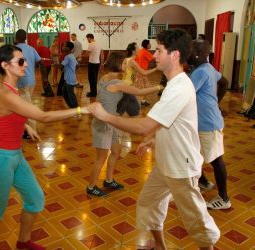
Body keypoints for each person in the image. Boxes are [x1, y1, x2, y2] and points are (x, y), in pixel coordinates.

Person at [88, 29, 220, 249]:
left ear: (175, 54)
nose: (154, 56)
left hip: (181, 166)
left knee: (196, 219)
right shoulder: (173, 84)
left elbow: (144, 125)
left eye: (159, 50)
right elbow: (168, 122)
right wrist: (155, 139)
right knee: (149, 203)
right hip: (166, 163)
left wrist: (106, 116)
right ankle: (159, 246)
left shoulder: (179, 86)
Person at [0, 44, 89, 250]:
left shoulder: (9, 88)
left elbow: (3, 113)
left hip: (15, 157)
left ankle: (23, 242)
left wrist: (24, 124)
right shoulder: (8, 94)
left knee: (35, 199)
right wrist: (81, 109)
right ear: (6, 65)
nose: (26, 64)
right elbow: (44, 116)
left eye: (25, 60)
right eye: (21, 61)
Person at [87, 51, 162, 197]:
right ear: (117, 64)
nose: (125, 66)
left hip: (110, 121)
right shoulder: (117, 83)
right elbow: (139, 91)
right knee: (101, 158)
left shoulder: (105, 78)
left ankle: (108, 180)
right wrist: (159, 87)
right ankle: (91, 186)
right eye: (123, 64)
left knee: (116, 151)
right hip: (103, 123)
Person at [188, 39, 231, 210]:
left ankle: (224, 198)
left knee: (216, 160)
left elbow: (185, 94)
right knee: (193, 154)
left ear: (198, 54)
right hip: (203, 123)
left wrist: (215, 103)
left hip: (209, 124)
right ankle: (204, 181)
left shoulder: (200, 72)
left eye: (190, 51)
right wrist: (216, 102)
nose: (187, 54)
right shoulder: (207, 68)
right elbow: (225, 82)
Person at [15, 29, 43, 134]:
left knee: (26, 106)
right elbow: (41, 62)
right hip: (31, 81)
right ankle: (26, 128)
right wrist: (44, 78)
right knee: (25, 104)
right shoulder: (31, 49)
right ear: (26, 38)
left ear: (16, 38)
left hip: (22, 81)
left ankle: (32, 130)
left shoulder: (15, 50)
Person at [118, 42, 156, 117]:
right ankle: (113, 120)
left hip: (125, 85)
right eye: (137, 48)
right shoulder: (132, 62)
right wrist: (156, 68)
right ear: (133, 51)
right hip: (127, 86)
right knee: (121, 109)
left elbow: (123, 70)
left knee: (134, 109)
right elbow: (144, 73)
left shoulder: (126, 59)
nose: (139, 49)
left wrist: (133, 77)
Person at [135, 39, 155, 106]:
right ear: (146, 45)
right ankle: (137, 102)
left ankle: (142, 101)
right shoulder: (145, 52)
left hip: (140, 72)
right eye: (149, 44)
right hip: (141, 72)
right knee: (142, 88)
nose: (150, 45)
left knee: (144, 87)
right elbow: (153, 58)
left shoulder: (141, 51)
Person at [60, 41, 78, 108]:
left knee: (70, 94)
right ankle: (72, 106)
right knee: (64, 92)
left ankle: (76, 108)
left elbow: (61, 66)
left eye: (64, 46)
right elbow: (77, 65)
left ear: (68, 48)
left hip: (69, 79)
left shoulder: (67, 57)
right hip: (69, 78)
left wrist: (55, 63)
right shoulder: (72, 55)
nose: (63, 47)